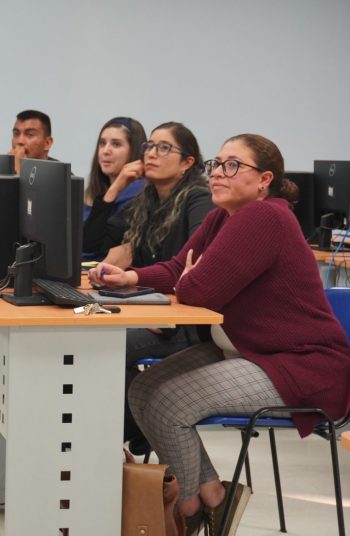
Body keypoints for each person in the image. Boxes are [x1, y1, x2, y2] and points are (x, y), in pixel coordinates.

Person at [90, 133, 350, 534]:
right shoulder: (221, 217)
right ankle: (212, 497)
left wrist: (189, 279)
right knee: (142, 391)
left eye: (233, 165)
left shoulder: (265, 217)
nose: (217, 173)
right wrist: (131, 277)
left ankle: (187, 510)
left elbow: (197, 290)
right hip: (249, 350)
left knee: (169, 402)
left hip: (300, 365)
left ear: (264, 180)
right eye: (217, 164)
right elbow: (179, 270)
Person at [90, 122, 215, 453]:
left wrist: (135, 281)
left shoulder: (198, 200)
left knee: (107, 345)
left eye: (164, 148)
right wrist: (116, 187)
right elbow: (92, 241)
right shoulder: (147, 199)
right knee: (89, 330)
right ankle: (130, 431)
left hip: (185, 324)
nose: (151, 154)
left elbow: (190, 266)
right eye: (149, 146)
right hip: (151, 310)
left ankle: (113, 438)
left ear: (187, 162)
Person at [82, 116, 147, 258]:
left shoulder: (138, 192)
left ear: (134, 150)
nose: (105, 151)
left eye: (116, 144)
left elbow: (92, 245)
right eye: (102, 143)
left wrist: (114, 189)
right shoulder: (93, 190)